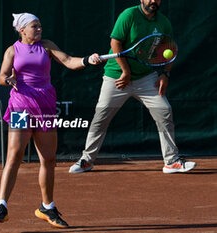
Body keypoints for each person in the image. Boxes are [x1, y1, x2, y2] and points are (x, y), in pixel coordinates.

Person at [0, 13, 101, 228]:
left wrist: (87, 60)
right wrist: (7, 79)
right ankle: (1, 206)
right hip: (21, 106)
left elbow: (69, 61)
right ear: (22, 30)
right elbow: (2, 76)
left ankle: (47, 207)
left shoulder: (47, 46)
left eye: (40, 26)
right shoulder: (12, 50)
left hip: (46, 106)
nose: (39, 29)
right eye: (34, 26)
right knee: (15, 154)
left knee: (48, 159)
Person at [69, 0, 196, 174]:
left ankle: (171, 161)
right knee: (101, 117)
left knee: (164, 111)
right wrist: (126, 72)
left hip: (145, 78)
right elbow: (116, 43)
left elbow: (170, 49)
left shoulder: (164, 22)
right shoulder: (128, 15)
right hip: (117, 77)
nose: (153, 1)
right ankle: (86, 160)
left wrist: (165, 74)